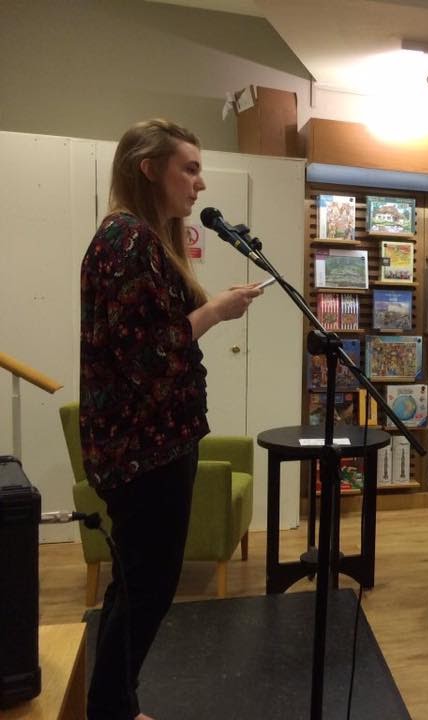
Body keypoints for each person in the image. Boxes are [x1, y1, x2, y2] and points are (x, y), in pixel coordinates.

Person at [79, 120, 263, 720]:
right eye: (188, 168)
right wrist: (214, 311)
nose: (200, 183)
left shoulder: (146, 240)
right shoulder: (127, 241)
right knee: (145, 588)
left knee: (141, 587)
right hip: (143, 451)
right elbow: (147, 356)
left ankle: (114, 701)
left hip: (158, 444)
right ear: (147, 168)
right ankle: (111, 706)